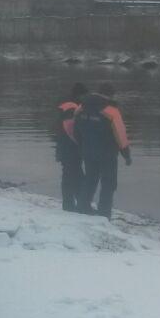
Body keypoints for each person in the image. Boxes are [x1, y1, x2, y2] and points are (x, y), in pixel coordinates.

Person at [75, 82, 131, 218]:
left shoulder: (81, 107)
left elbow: (75, 130)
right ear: (111, 95)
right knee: (108, 183)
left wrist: (81, 146)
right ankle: (104, 214)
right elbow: (120, 135)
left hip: (88, 151)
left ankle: (82, 207)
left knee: (90, 179)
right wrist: (126, 155)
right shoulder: (112, 111)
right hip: (107, 153)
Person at [55, 83, 88, 212]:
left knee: (71, 175)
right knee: (75, 176)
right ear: (80, 95)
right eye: (84, 95)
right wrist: (81, 143)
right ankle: (75, 205)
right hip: (70, 148)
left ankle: (72, 204)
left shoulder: (66, 105)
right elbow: (70, 129)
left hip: (63, 147)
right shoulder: (72, 107)